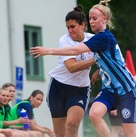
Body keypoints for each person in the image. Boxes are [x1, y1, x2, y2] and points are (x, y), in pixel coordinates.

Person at [29, 0, 136, 136]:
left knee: (127, 133)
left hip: (121, 90)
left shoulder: (101, 38)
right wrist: (99, 69)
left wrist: (47, 51)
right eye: (90, 18)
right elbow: (76, 66)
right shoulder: (74, 39)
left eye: (94, 18)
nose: (92, 21)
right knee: (93, 115)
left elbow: (76, 51)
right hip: (92, 88)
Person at [47, 5, 95, 137]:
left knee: (72, 124)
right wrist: (94, 61)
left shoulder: (93, 40)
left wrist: (98, 71)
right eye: (67, 28)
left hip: (79, 89)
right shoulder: (65, 40)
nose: (70, 31)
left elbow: (110, 58)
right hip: (58, 87)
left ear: (82, 25)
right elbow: (71, 67)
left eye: (72, 27)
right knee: (60, 133)